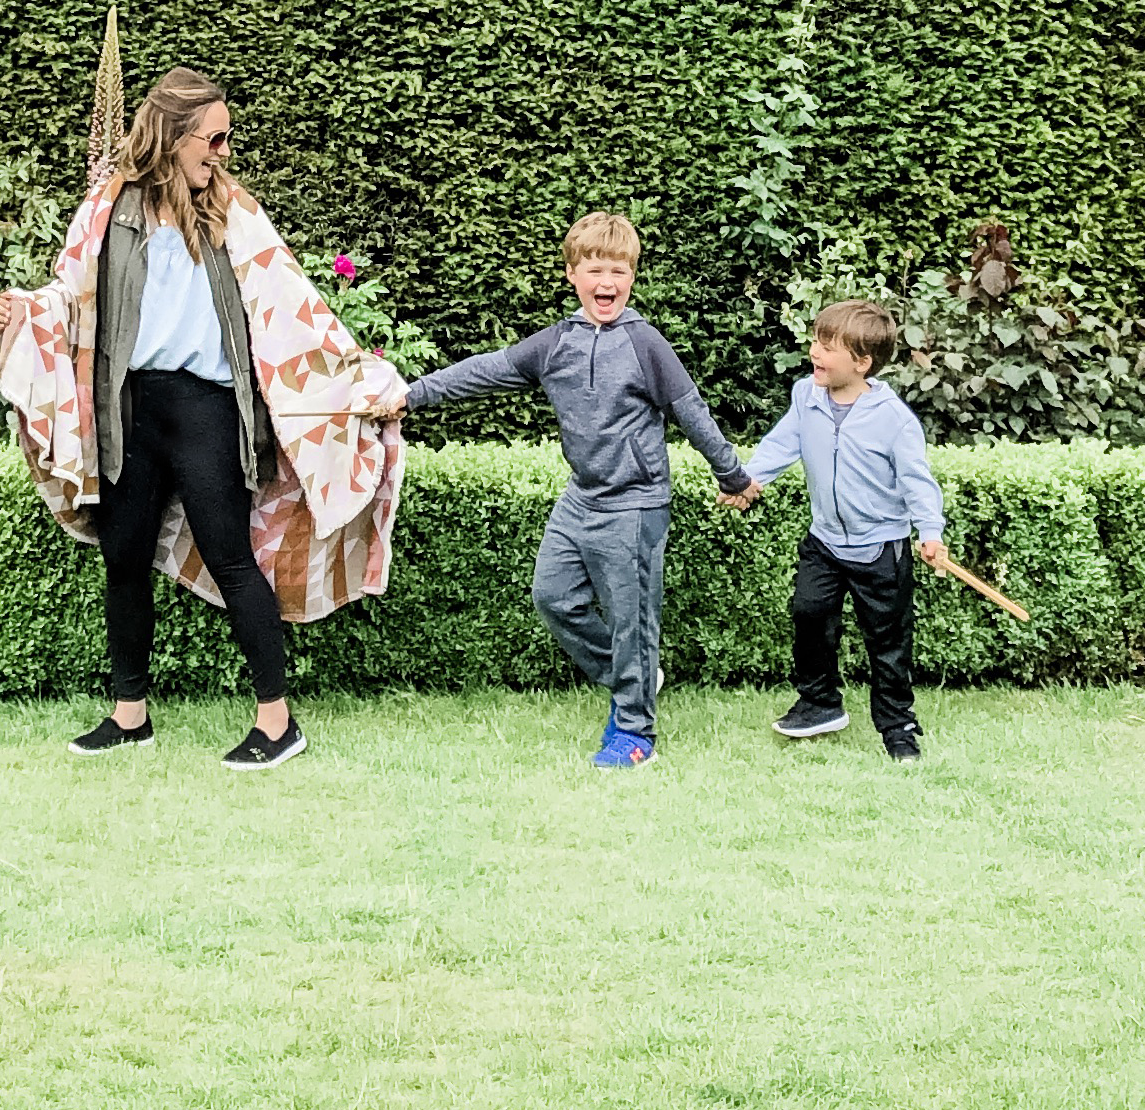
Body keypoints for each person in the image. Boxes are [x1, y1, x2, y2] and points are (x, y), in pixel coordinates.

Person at [0, 68, 353, 767]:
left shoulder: (234, 211)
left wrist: (353, 380)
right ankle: (131, 717)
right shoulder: (108, 206)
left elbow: (292, 306)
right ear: (171, 134)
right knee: (123, 560)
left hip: (206, 409)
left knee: (232, 560)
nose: (221, 151)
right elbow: (71, 294)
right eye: (212, 138)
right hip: (129, 409)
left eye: (225, 138)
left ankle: (278, 724)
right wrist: (25, 311)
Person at [390, 209, 758, 766]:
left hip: (635, 502)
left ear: (632, 277)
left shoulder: (645, 343)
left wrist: (731, 473)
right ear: (572, 274)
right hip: (581, 498)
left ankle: (635, 735)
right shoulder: (556, 343)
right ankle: (634, 675)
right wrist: (413, 394)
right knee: (553, 597)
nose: (606, 283)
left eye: (619, 271)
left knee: (632, 618)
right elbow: (488, 369)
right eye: (595, 270)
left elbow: (691, 413)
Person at [748, 298, 949, 762]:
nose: (815, 352)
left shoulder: (893, 418)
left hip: (881, 549)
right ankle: (820, 704)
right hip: (824, 542)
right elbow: (783, 442)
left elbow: (918, 481)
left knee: (888, 641)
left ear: (862, 363)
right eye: (816, 340)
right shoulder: (806, 396)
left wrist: (930, 532)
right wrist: (750, 480)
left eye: (828, 346)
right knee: (809, 615)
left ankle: (898, 727)